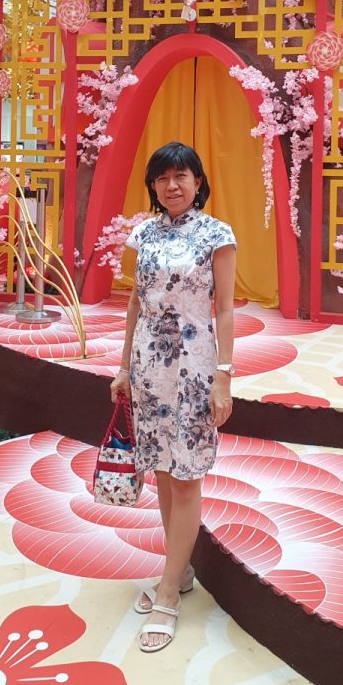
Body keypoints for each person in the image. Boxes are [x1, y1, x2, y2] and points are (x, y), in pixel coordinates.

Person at [110, 141, 236, 654]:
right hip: (148, 368)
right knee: (162, 470)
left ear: (198, 182)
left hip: (193, 368)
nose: (172, 186)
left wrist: (224, 376)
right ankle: (178, 571)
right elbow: (135, 303)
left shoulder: (216, 234)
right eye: (162, 178)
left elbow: (224, 309)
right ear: (153, 186)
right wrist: (123, 366)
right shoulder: (144, 232)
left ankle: (167, 593)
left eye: (181, 176)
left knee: (185, 475)